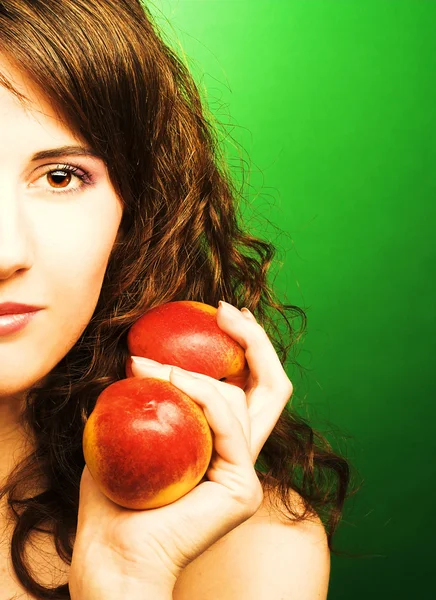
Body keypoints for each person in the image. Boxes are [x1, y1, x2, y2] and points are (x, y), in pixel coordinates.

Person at [0, 1, 356, 598]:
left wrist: (123, 579)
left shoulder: (249, 558)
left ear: (131, 213)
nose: (6, 250)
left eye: (61, 176)